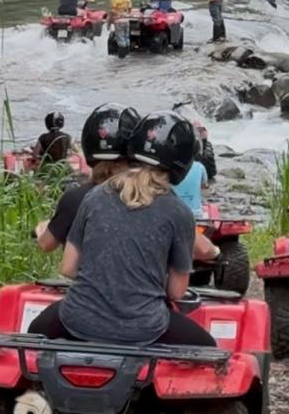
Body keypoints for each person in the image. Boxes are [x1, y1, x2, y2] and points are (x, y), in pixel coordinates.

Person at [27, 111, 220, 346]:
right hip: (145, 327)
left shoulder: (94, 196)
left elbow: (68, 268)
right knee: (208, 349)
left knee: (34, 330)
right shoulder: (180, 212)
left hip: (77, 319)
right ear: (183, 162)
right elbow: (177, 293)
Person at [34, 104, 140, 252]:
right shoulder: (154, 198)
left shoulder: (75, 199)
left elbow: (46, 245)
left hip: (50, 169)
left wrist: (41, 229)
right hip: (65, 168)